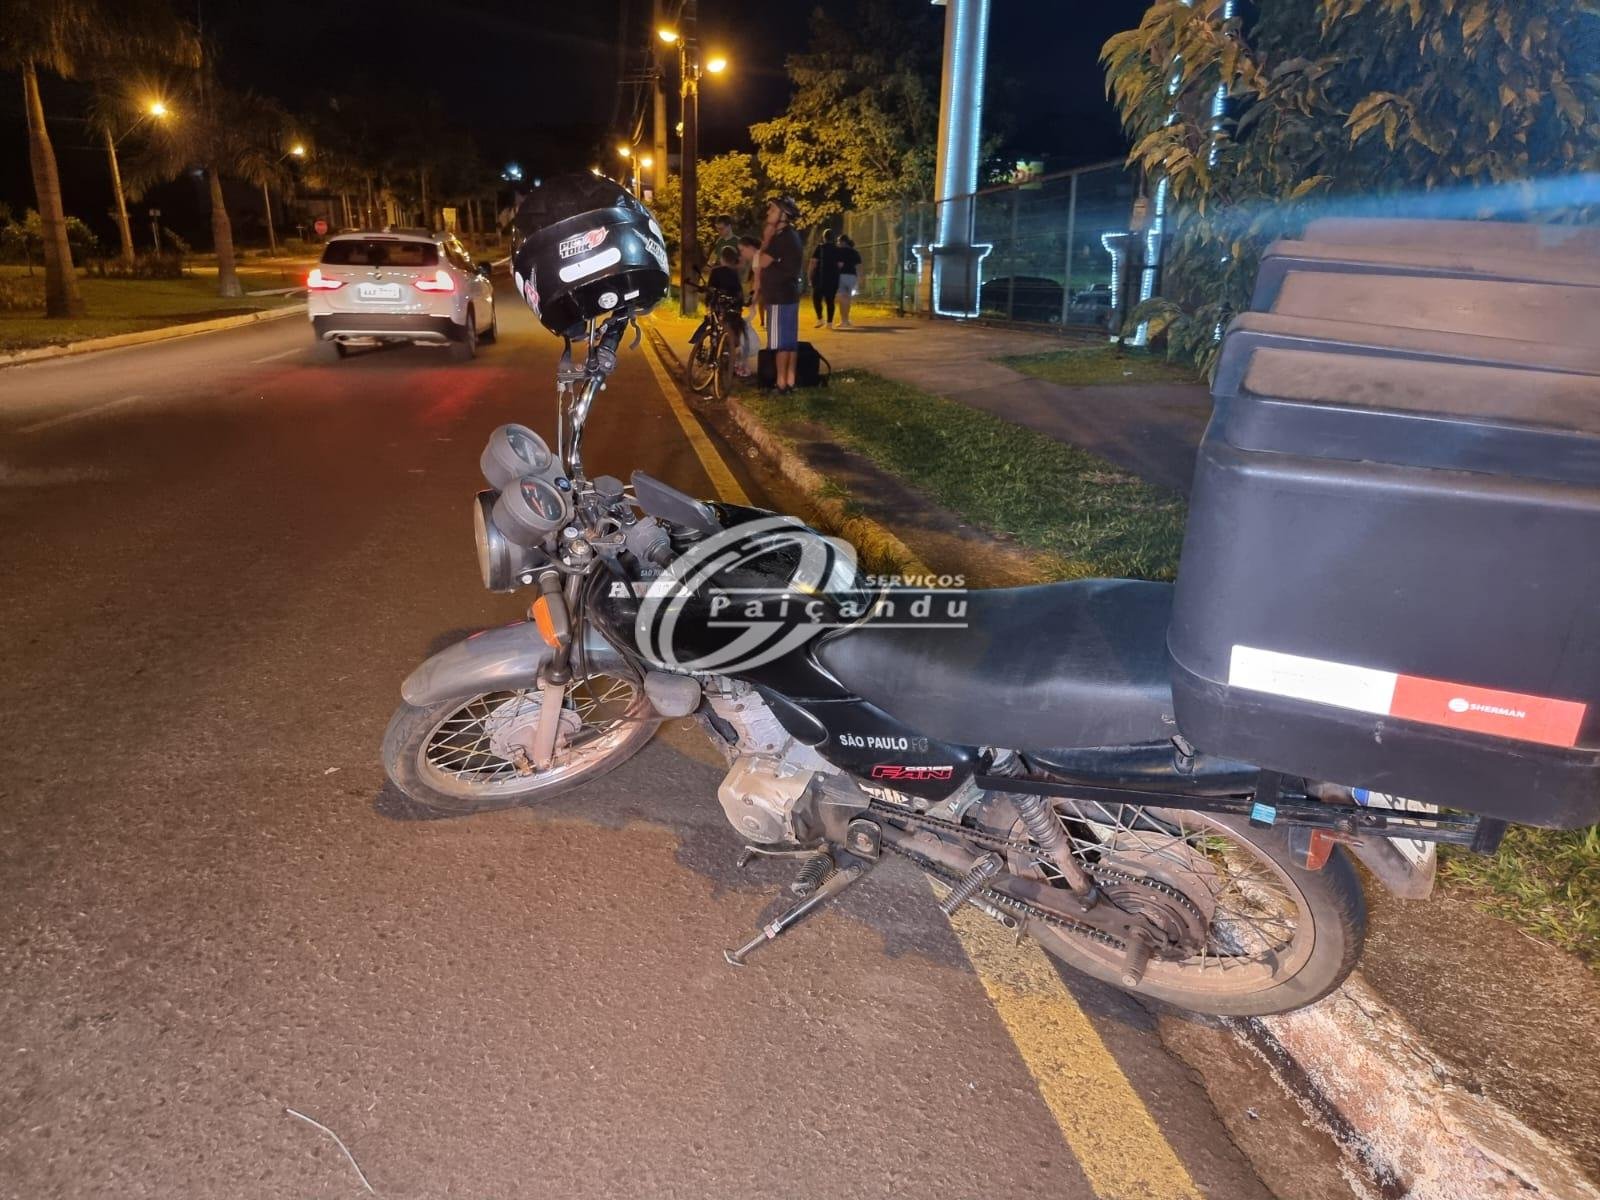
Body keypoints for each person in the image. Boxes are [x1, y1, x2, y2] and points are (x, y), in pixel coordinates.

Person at [755, 196, 804, 393]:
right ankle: (790, 381)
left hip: (778, 298)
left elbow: (761, 261)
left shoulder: (780, 238)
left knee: (779, 344)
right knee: (790, 343)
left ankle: (781, 384)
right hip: (789, 296)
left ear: (784, 215)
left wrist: (767, 238)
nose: (769, 213)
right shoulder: (792, 236)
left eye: (773, 210)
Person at [706, 244, 750, 377]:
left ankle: (713, 355)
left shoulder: (716, 271)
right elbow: (739, 293)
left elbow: (710, 290)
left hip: (718, 306)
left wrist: (708, 305)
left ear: (722, 258)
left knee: (714, 329)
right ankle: (732, 361)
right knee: (733, 332)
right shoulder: (734, 274)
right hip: (732, 308)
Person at [809, 228, 841, 329]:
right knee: (830, 300)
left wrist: (810, 276)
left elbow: (813, 263)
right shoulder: (837, 249)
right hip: (832, 278)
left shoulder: (820, 248)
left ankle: (820, 319)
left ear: (824, 238)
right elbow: (840, 265)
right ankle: (829, 323)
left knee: (816, 299)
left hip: (819, 277)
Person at [835, 234, 863, 328]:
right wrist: (860, 277)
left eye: (838, 241)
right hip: (852, 277)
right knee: (848, 299)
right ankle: (846, 319)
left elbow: (838, 265)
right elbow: (858, 266)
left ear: (842, 242)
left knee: (842, 299)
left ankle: (843, 320)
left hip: (841, 276)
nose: (838, 243)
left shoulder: (838, 251)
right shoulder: (854, 252)